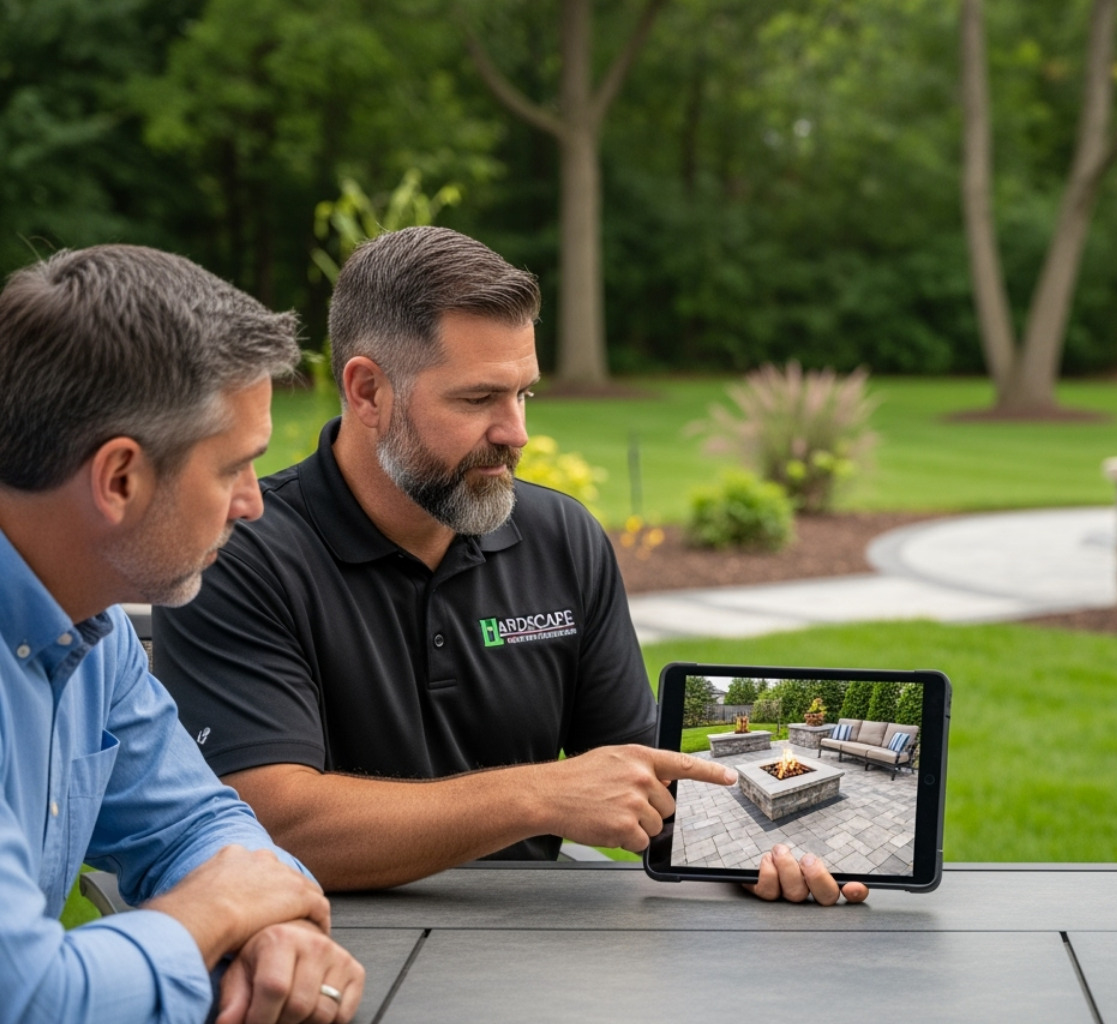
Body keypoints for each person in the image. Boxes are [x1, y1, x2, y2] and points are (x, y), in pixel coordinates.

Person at [154, 226, 865, 906]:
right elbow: (269, 823)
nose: (517, 432)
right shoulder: (238, 552)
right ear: (367, 391)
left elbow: (643, 784)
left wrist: (770, 850)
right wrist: (539, 795)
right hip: (317, 951)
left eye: (523, 393)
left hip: (535, 950)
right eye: (478, 398)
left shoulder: (562, 538)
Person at [0, 245, 365, 1024]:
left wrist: (271, 928)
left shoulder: (90, 629)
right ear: (120, 479)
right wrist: (212, 912)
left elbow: (193, 823)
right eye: (233, 468)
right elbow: (29, 996)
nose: (253, 503)